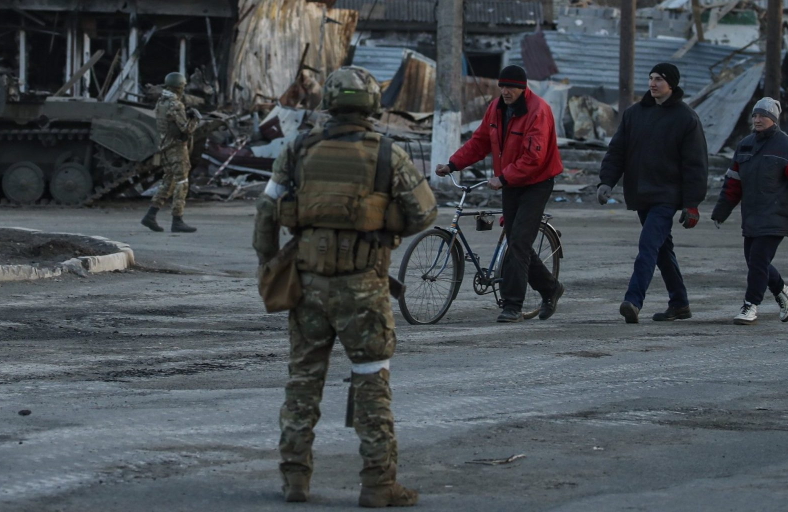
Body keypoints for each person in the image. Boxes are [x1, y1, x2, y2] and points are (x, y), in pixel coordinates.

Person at [253, 66, 437, 507]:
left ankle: (295, 480)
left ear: (329, 104)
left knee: (303, 382)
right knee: (372, 382)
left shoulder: (299, 148)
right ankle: (378, 485)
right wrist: (383, 218)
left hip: (308, 285)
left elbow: (266, 211)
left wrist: (268, 266)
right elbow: (424, 214)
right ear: (372, 105)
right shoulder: (386, 154)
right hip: (363, 288)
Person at [434, 64, 565, 323]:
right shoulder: (495, 108)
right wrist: (453, 164)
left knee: (518, 242)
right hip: (510, 182)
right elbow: (479, 142)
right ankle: (551, 288)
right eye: (502, 86)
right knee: (517, 239)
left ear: (523, 88)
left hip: (537, 182)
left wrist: (503, 177)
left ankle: (512, 306)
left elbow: (534, 158)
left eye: (511, 87)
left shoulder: (538, 111)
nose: (505, 91)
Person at [597, 63, 708, 323]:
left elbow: (696, 165)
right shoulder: (635, 113)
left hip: (667, 195)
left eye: (659, 79)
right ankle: (679, 303)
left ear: (672, 84)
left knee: (648, 246)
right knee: (661, 250)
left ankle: (633, 301)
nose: (653, 83)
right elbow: (617, 151)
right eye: (650, 78)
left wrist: (692, 204)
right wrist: (606, 181)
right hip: (641, 194)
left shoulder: (686, 118)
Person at [711, 97, 788, 325]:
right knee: (756, 262)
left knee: (757, 261)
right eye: (755, 115)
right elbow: (733, 183)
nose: (757, 119)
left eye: (763, 116)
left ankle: (750, 306)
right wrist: (721, 211)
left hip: (777, 216)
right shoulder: (745, 145)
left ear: (774, 119)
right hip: (752, 215)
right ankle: (783, 291)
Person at [141, 72, 199, 233]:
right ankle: (177, 220)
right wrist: (194, 119)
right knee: (182, 182)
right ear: (179, 87)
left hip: (164, 147)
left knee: (168, 181)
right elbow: (186, 129)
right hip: (177, 148)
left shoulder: (161, 102)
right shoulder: (175, 105)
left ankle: (150, 215)